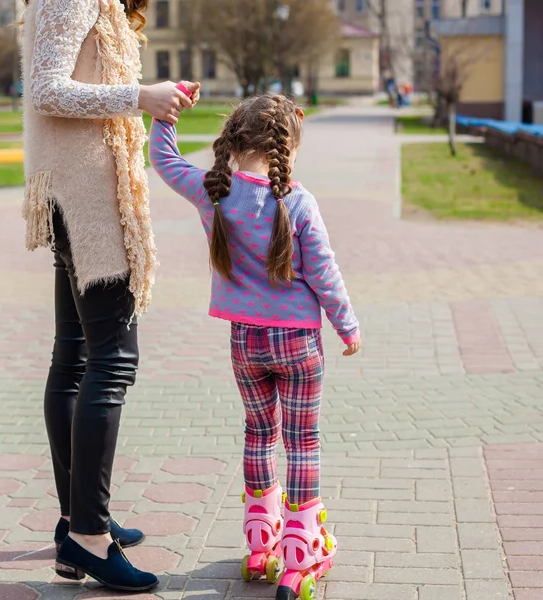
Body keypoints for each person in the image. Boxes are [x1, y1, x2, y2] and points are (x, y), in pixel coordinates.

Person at [149, 93, 361, 598]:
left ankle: (260, 541)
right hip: (299, 343)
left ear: (233, 137)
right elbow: (324, 272)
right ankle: (299, 549)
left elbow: (164, 160)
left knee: (258, 433)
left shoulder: (213, 190)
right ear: (289, 143)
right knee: (302, 440)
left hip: (246, 339)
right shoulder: (299, 202)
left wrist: (165, 116)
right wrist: (347, 325)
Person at [21, 0, 199, 592]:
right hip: (91, 199)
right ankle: (88, 539)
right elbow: (48, 90)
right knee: (111, 361)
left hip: (76, 189)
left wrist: (143, 95)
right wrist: (139, 96)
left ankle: (79, 523)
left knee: (74, 357)